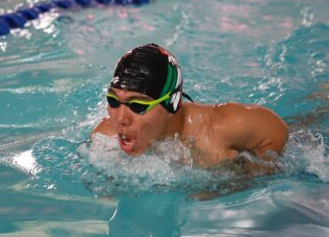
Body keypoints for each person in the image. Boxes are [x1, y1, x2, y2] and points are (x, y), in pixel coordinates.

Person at [91, 43, 288, 174]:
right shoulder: (103, 139)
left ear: (173, 103)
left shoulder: (220, 128)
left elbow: (272, 127)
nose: (120, 119)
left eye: (138, 105)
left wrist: (249, 177)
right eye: (114, 101)